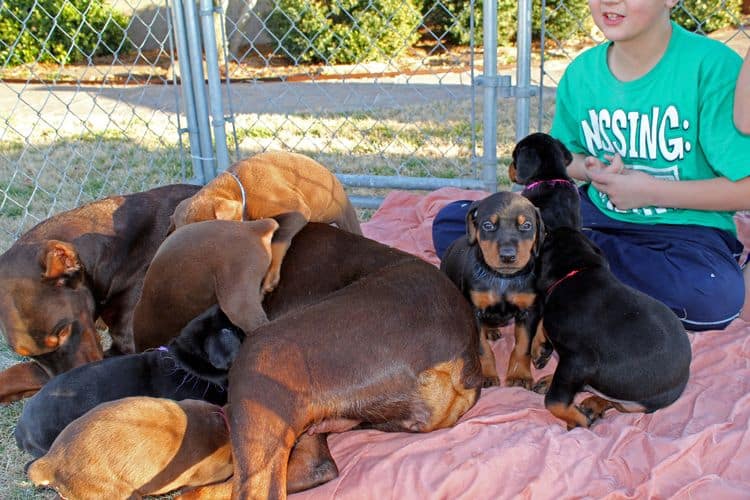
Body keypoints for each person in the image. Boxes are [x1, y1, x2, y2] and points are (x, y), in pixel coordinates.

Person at [433, 0, 750, 331]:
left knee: (713, 296)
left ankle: (561, 269)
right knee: (452, 224)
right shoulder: (582, 72)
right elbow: (567, 160)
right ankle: (576, 271)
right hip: (591, 216)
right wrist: (592, 170)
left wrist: (651, 191)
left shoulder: (712, 67)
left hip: (682, 234)